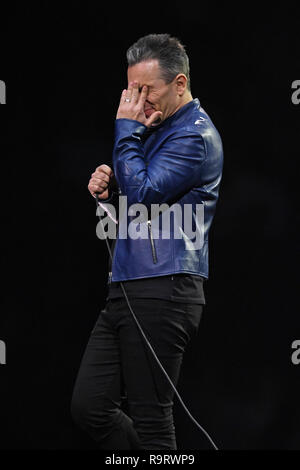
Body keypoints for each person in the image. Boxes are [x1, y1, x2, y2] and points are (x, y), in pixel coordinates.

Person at [71, 33, 223, 450]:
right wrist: (110, 189)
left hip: (164, 289)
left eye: (146, 90)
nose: (137, 101)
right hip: (127, 284)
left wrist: (125, 130)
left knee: (153, 419)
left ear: (179, 83)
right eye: (132, 90)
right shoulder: (157, 128)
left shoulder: (195, 135)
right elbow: (138, 199)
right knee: (89, 406)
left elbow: (146, 195)